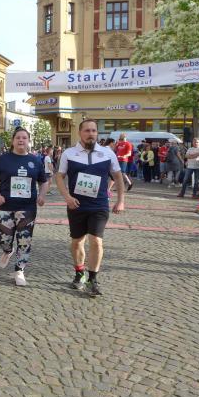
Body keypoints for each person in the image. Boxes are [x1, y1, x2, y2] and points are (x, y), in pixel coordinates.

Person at [55, 119, 125, 297]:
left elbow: (118, 176)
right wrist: (67, 197)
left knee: (96, 241)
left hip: (99, 205)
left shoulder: (107, 153)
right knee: (77, 241)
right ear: (80, 133)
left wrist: (120, 200)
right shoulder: (69, 153)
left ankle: (93, 279)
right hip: (76, 205)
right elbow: (59, 177)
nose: (91, 134)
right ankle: (79, 273)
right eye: (87, 130)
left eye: (94, 130)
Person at [0, 127, 48, 286]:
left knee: (24, 240)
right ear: (13, 141)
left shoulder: (35, 160)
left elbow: (44, 181)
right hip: (5, 206)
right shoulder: (3, 159)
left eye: (24, 138)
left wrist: (42, 195)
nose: (21, 140)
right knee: (4, 239)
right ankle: (7, 251)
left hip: (27, 208)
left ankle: (19, 270)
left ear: (28, 141)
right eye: (18, 138)